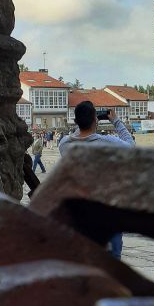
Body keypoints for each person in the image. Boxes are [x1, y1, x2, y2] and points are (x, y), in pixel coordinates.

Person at [58, 103, 134, 259]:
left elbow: (78, 134)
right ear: (95, 120)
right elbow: (131, 147)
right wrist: (116, 122)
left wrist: (85, 122)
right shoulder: (108, 142)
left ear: (76, 121)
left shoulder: (64, 144)